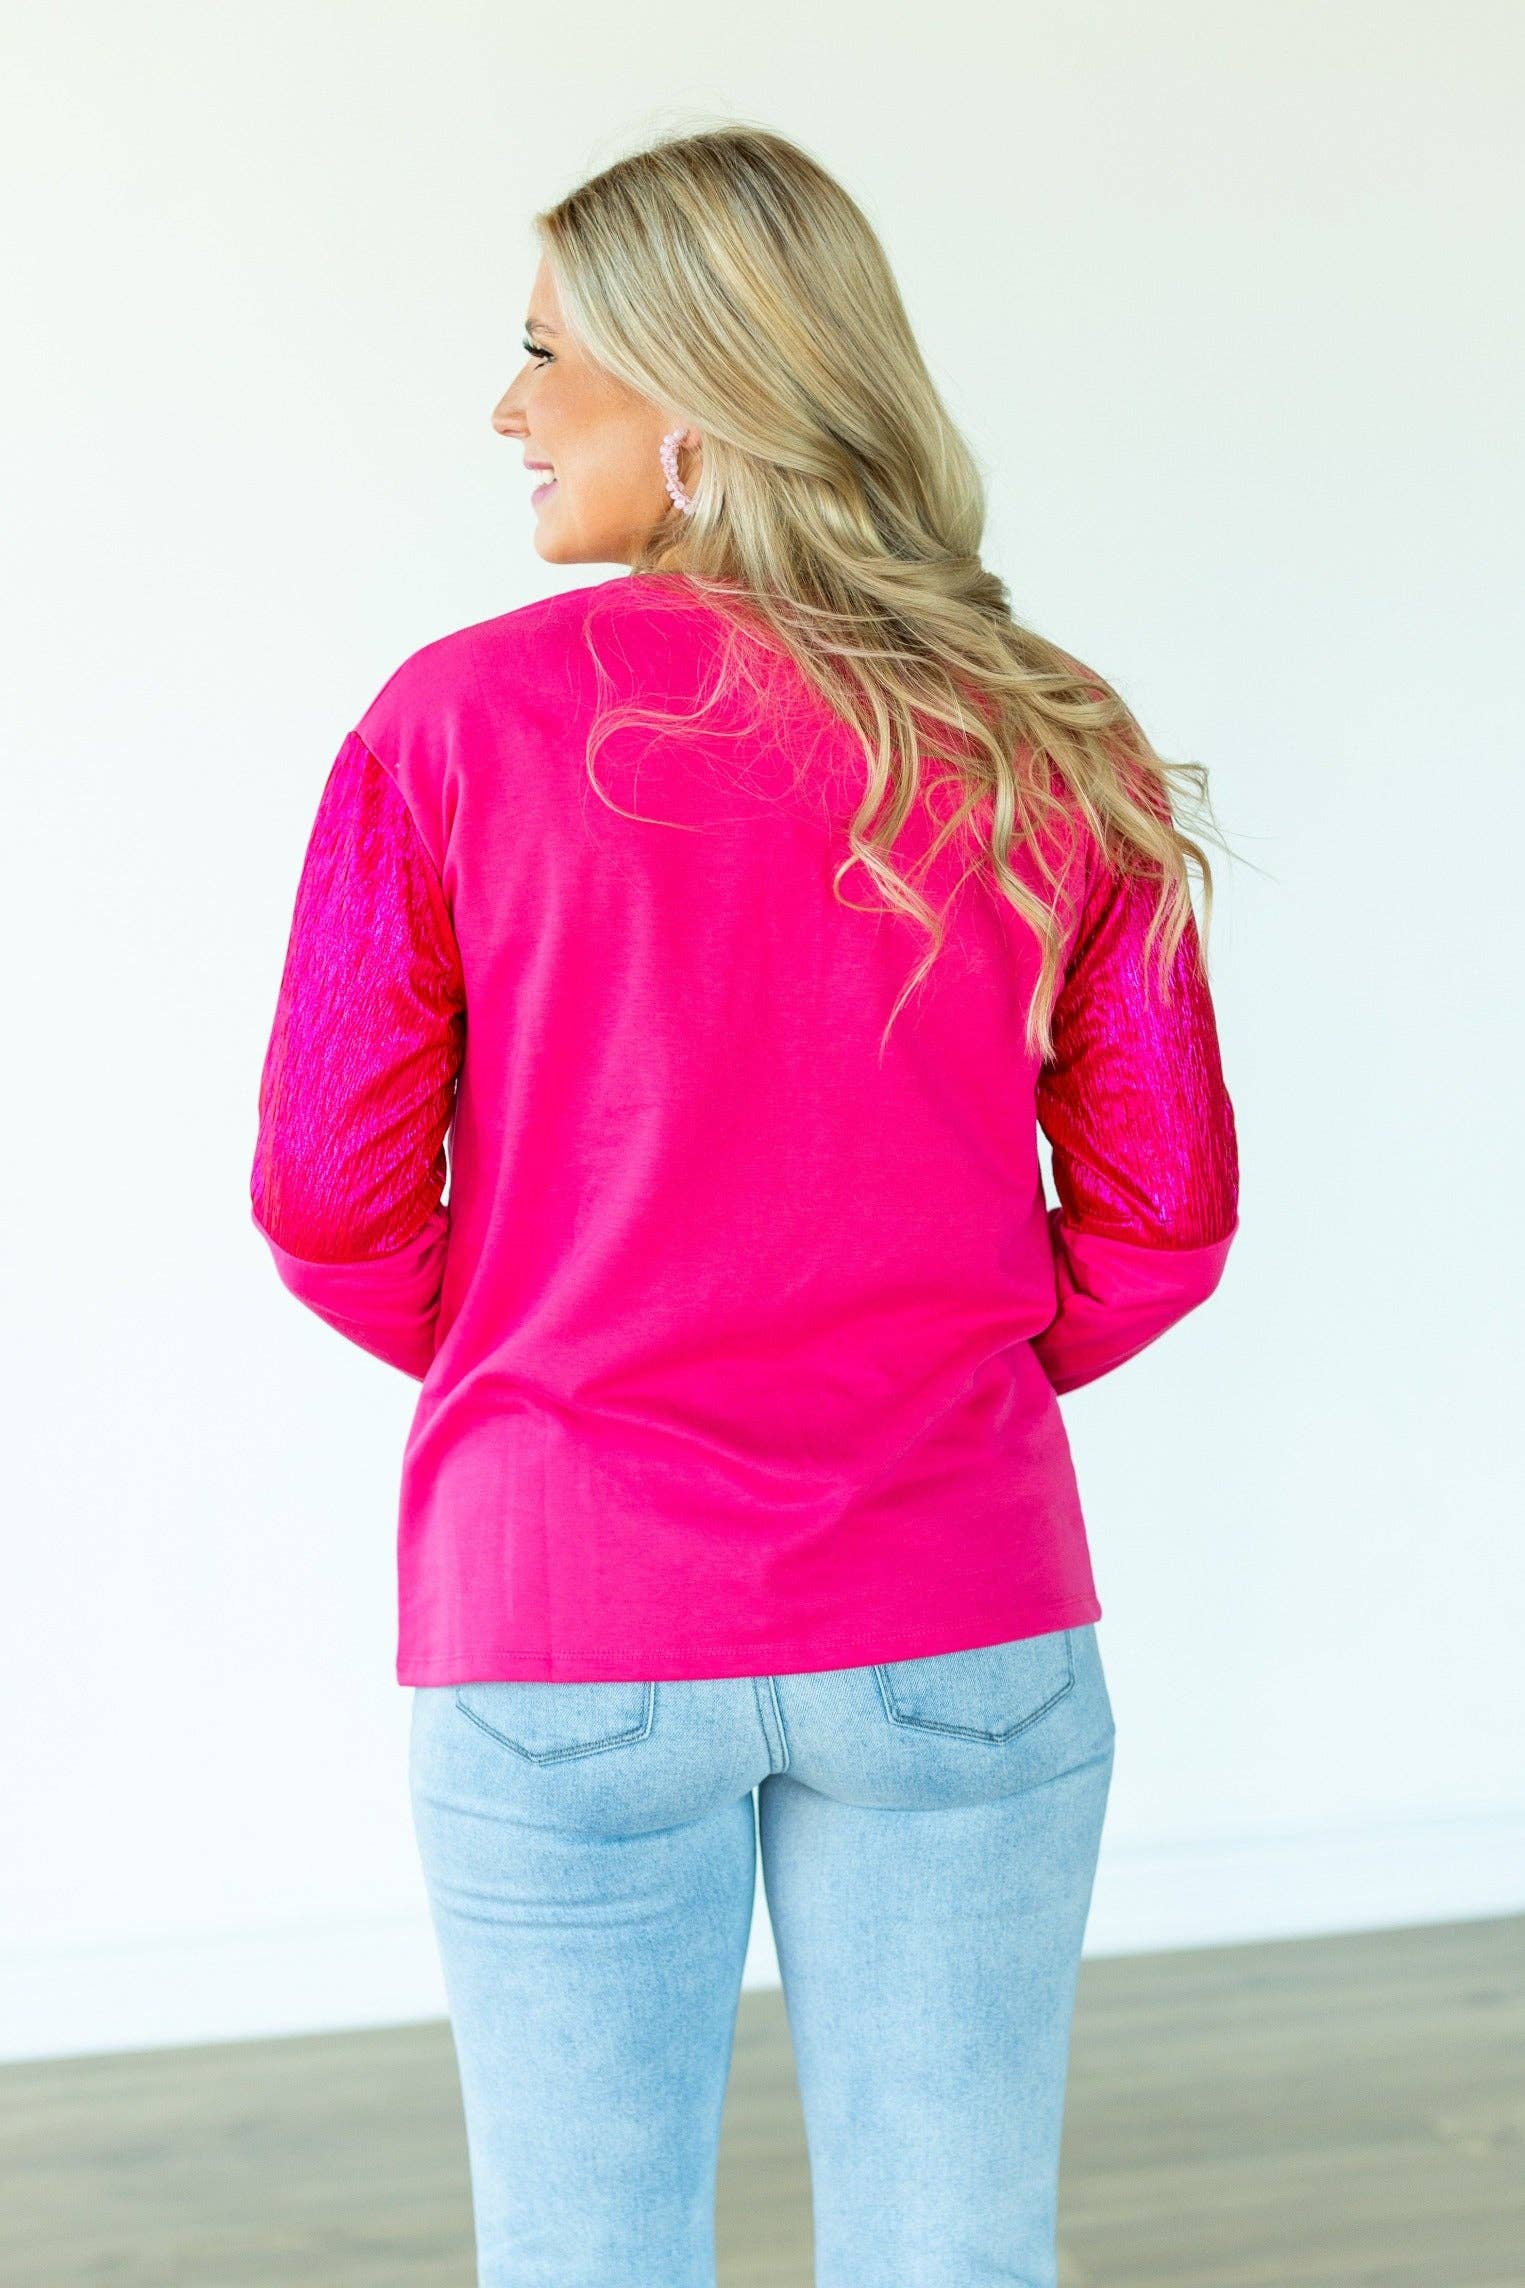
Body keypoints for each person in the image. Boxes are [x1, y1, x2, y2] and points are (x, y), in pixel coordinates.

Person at [249, 122, 1240, 2288]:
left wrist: (556, 1366)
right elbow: (1160, 1220)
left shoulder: (443, 731)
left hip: (561, 1609)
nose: (505, 411)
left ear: (692, 408)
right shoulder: (1047, 732)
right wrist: (930, 1372)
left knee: (583, 2254)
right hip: (958, 1604)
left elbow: (330, 1198)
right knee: (956, 2243)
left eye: (544, 359)